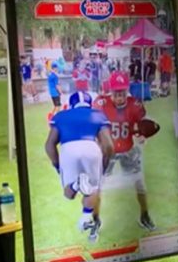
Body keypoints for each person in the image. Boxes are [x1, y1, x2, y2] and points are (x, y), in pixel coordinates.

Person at [45, 91, 114, 243]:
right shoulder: (98, 114)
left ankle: (77, 184)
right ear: (89, 104)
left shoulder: (61, 116)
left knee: (68, 194)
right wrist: (105, 163)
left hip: (68, 149)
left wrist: (57, 165)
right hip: (91, 147)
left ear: (71, 104)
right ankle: (86, 216)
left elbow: (49, 145)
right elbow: (108, 145)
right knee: (93, 188)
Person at [93, 71, 156, 231]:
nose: (119, 96)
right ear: (110, 91)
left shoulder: (134, 105)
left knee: (140, 183)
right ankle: (95, 219)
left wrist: (142, 134)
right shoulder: (101, 104)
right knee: (96, 185)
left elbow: (140, 123)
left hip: (128, 149)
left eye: (122, 92)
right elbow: (93, 124)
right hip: (108, 151)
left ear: (126, 90)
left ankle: (145, 215)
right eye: (116, 93)